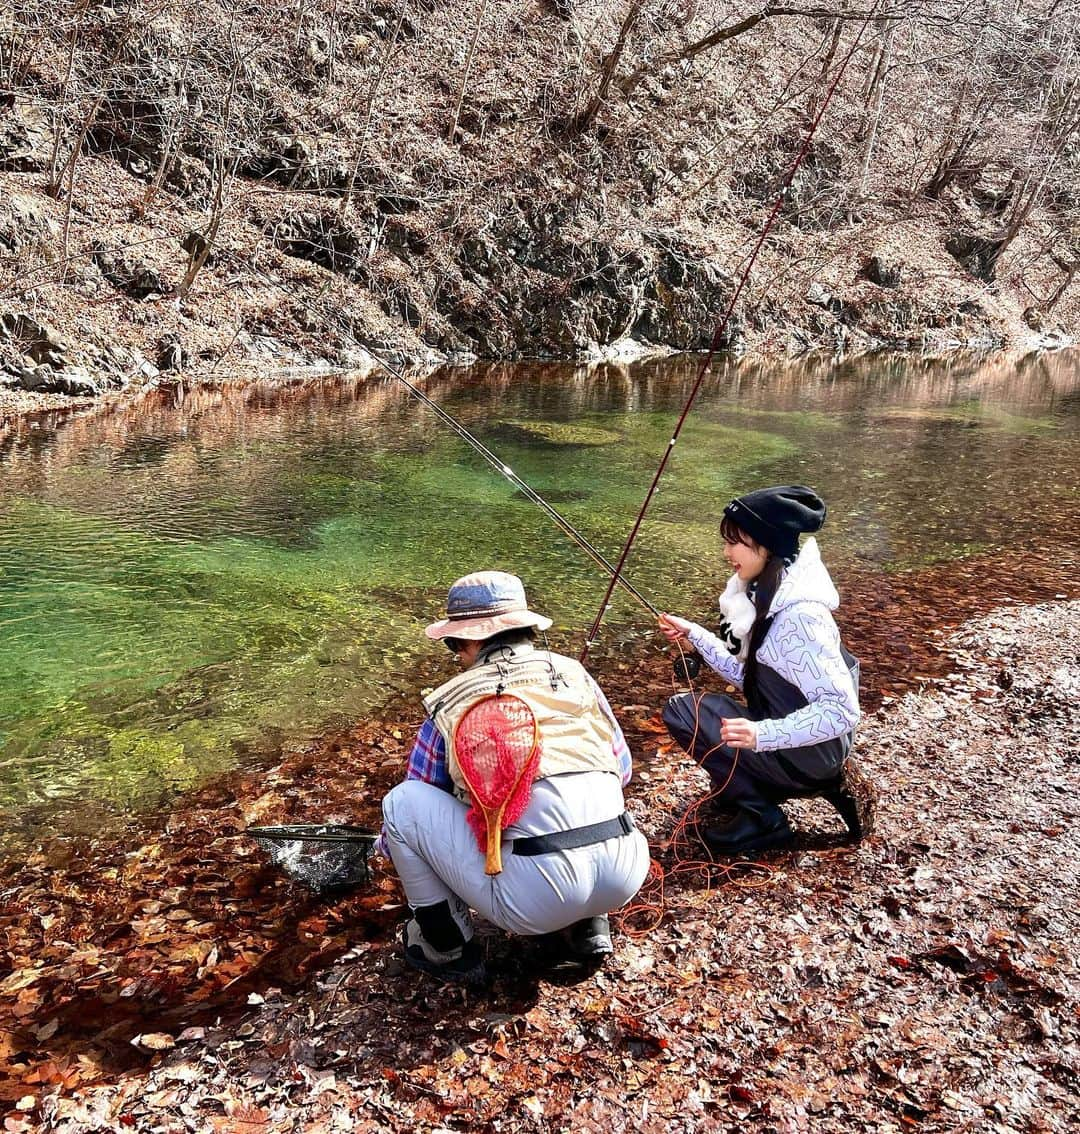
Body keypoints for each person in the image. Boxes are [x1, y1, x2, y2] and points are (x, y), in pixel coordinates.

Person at [380, 570, 650, 985]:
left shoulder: (451, 702)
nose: (457, 656)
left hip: (536, 900)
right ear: (525, 628)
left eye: (455, 645)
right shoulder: (575, 675)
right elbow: (623, 769)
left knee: (400, 806)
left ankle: (445, 946)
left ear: (467, 641)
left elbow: (423, 795)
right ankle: (588, 928)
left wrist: (383, 848)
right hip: (626, 872)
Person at [658, 485, 869, 856]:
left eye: (735, 542)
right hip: (806, 746)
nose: (726, 553)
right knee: (690, 710)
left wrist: (762, 735)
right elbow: (751, 677)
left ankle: (762, 817)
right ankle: (756, 789)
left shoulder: (800, 617)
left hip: (811, 755)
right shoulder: (770, 592)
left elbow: (842, 709)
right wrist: (696, 636)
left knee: (683, 712)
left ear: (767, 545)